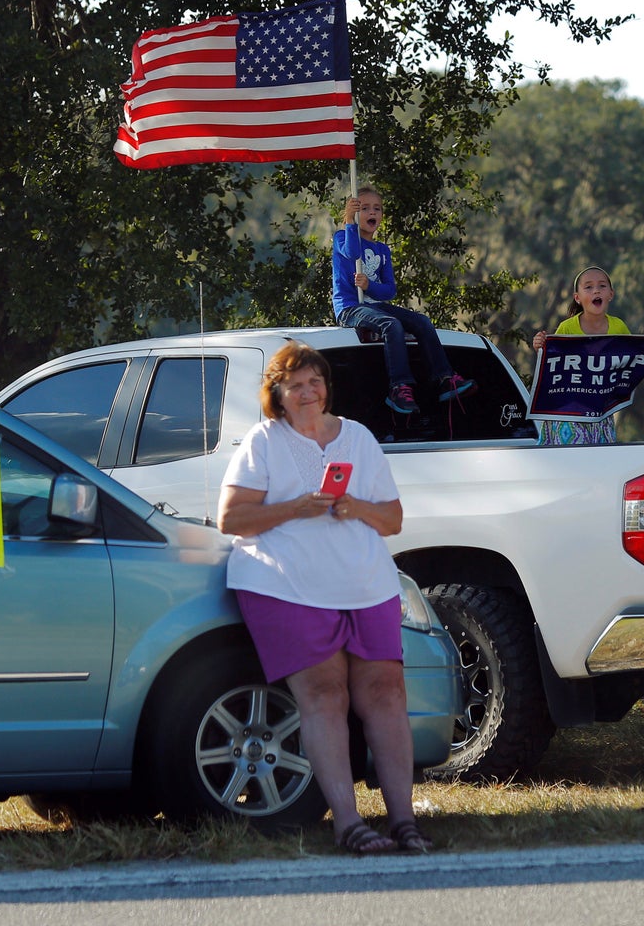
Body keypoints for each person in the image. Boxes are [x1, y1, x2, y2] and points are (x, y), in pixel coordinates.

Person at [217, 342, 434, 853]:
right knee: (324, 695)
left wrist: (354, 505)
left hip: (366, 584)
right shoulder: (263, 441)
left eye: (315, 381)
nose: (308, 391)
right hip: (286, 586)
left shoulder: (356, 437)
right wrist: (296, 508)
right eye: (296, 384)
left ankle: (405, 823)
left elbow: (393, 520)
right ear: (278, 394)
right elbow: (231, 519)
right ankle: (349, 825)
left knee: (386, 694)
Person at [332, 188, 474, 416]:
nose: (372, 212)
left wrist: (370, 286)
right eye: (364, 208)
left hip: (377, 306)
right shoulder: (342, 237)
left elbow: (389, 291)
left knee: (422, 322)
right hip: (351, 307)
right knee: (392, 325)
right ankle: (399, 386)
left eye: (376, 209)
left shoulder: (382, 250)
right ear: (354, 212)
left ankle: (444, 378)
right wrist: (349, 221)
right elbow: (351, 252)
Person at [531, 265, 644, 445]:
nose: (596, 290)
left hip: (600, 413)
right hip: (567, 414)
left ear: (610, 294)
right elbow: (553, 361)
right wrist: (540, 346)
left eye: (602, 286)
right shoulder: (567, 327)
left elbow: (634, 361)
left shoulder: (619, 327)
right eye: (588, 287)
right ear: (578, 298)